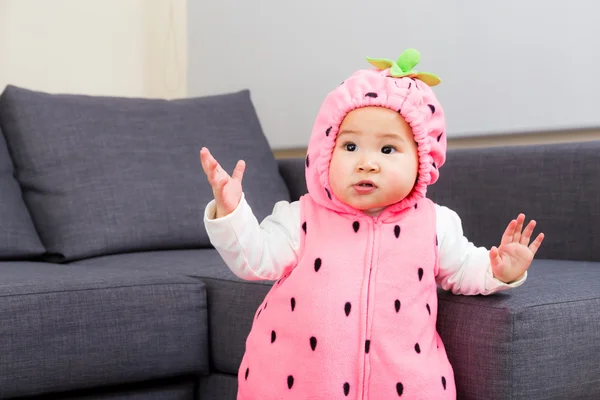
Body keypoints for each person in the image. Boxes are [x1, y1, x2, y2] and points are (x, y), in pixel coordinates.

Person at [200, 48, 545, 400]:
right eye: (350, 146)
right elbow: (254, 258)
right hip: (301, 383)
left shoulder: (435, 224)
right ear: (325, 150)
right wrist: (232, 211)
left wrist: (500, 269)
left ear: (424, 160)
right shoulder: (300, 217)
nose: (366, 163)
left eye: (387, 150)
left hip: (406, 383)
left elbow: (463, 269)